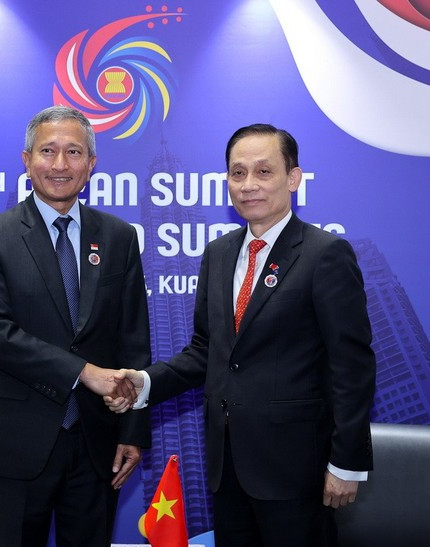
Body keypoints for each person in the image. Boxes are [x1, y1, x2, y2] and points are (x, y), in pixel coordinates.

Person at [107, 124, 376, 546]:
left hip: (297, 470)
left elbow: (352, 366)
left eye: (263, 172)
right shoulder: (218, 254)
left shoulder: (325, 255)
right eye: (237, 173)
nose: (248, 185)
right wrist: (145, 382)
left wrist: (346, 463)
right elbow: (206, 351)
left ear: (293, 178)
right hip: (226, 467)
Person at [0, 105, 148, 546]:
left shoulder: (120, 237)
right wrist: (84, 373)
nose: (61, 165)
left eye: (74, 152)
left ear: (92, 165)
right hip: (15, 444)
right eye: (48, 151)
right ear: (26, 161)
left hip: (96, 444)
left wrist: (132, 431)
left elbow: (133, 341)